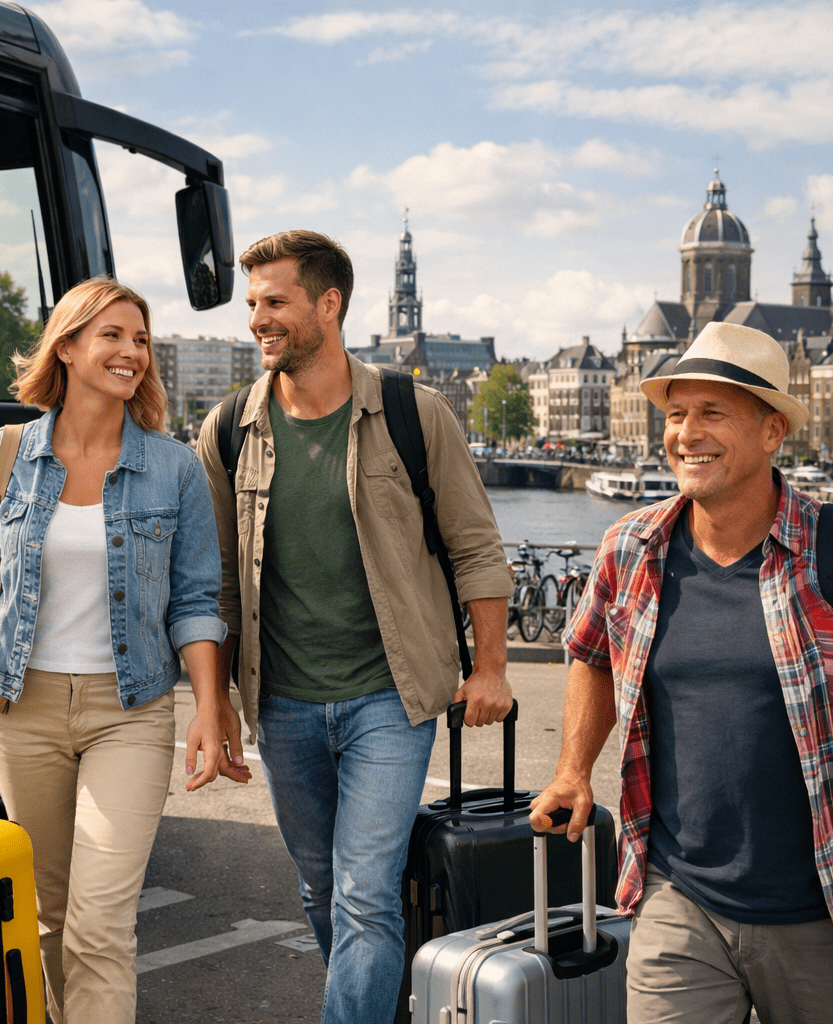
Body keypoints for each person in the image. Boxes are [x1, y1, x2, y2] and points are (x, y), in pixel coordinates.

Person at [197, 230, 514, 1024]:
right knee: (320, 889)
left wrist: (492, 666)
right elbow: (218, 582)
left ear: (328, 305)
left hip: (389, 698)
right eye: (252, 304)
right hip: (285, 702)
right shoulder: (229, 427)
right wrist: (218, 702)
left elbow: (476, 546)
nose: (257, 319)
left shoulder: (414, 412)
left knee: (367, 895)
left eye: (275, 302)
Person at [0, 277, 228, 1024]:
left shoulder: (173, 468)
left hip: (130, 710)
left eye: (140, 339)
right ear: (69, 346)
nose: (132, 352)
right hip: (23, 709)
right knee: (47, 917)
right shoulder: (5, 454)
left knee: (101, 924)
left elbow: (196, 603)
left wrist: (210, 708)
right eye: (112, 335)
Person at [530, 321, 833, 1023]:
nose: (685, 433)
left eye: (712, 412)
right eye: (676, 414)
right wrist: (573, 770)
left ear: (773, 432)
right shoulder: (632, 546)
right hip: (678, 899)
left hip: (830, 910)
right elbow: (590, 652)